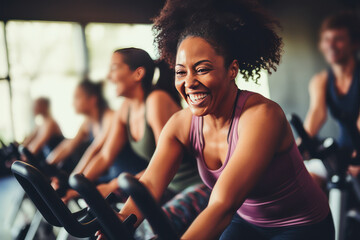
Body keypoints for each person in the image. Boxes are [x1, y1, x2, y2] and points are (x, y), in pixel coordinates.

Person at [96, 1, 335, 239]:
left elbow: (222, 205)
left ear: (232, 70)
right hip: (247, 221)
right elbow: (149, 184)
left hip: (301, 224)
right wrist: (120, 222)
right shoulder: (181, 124)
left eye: (202, 69)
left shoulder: (262, 116)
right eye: (181, 72)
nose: (189, 82)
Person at [62, 48, 202, 202]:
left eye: (114, 68)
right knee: (98, 203)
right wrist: (73, 187)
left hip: (188, 185)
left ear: (138, 74)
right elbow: (105, 156)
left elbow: (163, 162)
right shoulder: (125, 108)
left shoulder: (156, 101)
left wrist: (113, 185)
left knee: (113, 202)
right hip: (163, 184)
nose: (109, 76)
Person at [303, 12, 360, 184]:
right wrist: (299, 147)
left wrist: (358, 157)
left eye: (339, 39)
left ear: (354, 44)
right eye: (327, 39)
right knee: (306, 181)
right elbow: (317, 114)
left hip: (358, 149)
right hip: (342, 149)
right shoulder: (320, 81)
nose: (331, 45)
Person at [46, 80, 114, 172]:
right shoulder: (87, 122)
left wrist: (75, 177)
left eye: (77, 97)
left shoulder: (109, 117)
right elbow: (69, 146)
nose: (73, 103)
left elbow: (94, 150)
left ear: (93, 99)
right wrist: (48, 164)